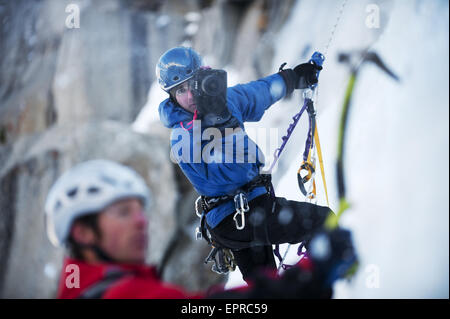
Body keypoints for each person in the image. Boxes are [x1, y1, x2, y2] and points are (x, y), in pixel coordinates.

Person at [45, 159, 357, 299]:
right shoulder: (122, 294)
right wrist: (308, 275)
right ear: (83, 233)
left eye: (141, 210)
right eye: (123, 212)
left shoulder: (86, 291)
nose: (141, 220)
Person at [156, 46, 336, 282]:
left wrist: (293, 78)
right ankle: (311, 286)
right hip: (232, 220)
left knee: (265, 286)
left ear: (203, 79)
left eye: (192, 84)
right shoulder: (182, 137)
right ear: (171, 96)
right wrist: (223, 126)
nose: (189, 95)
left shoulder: (225, 101)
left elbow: (260, 93)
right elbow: (234, 173)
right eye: (180, 90)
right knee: (322, 222)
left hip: (253, 206)